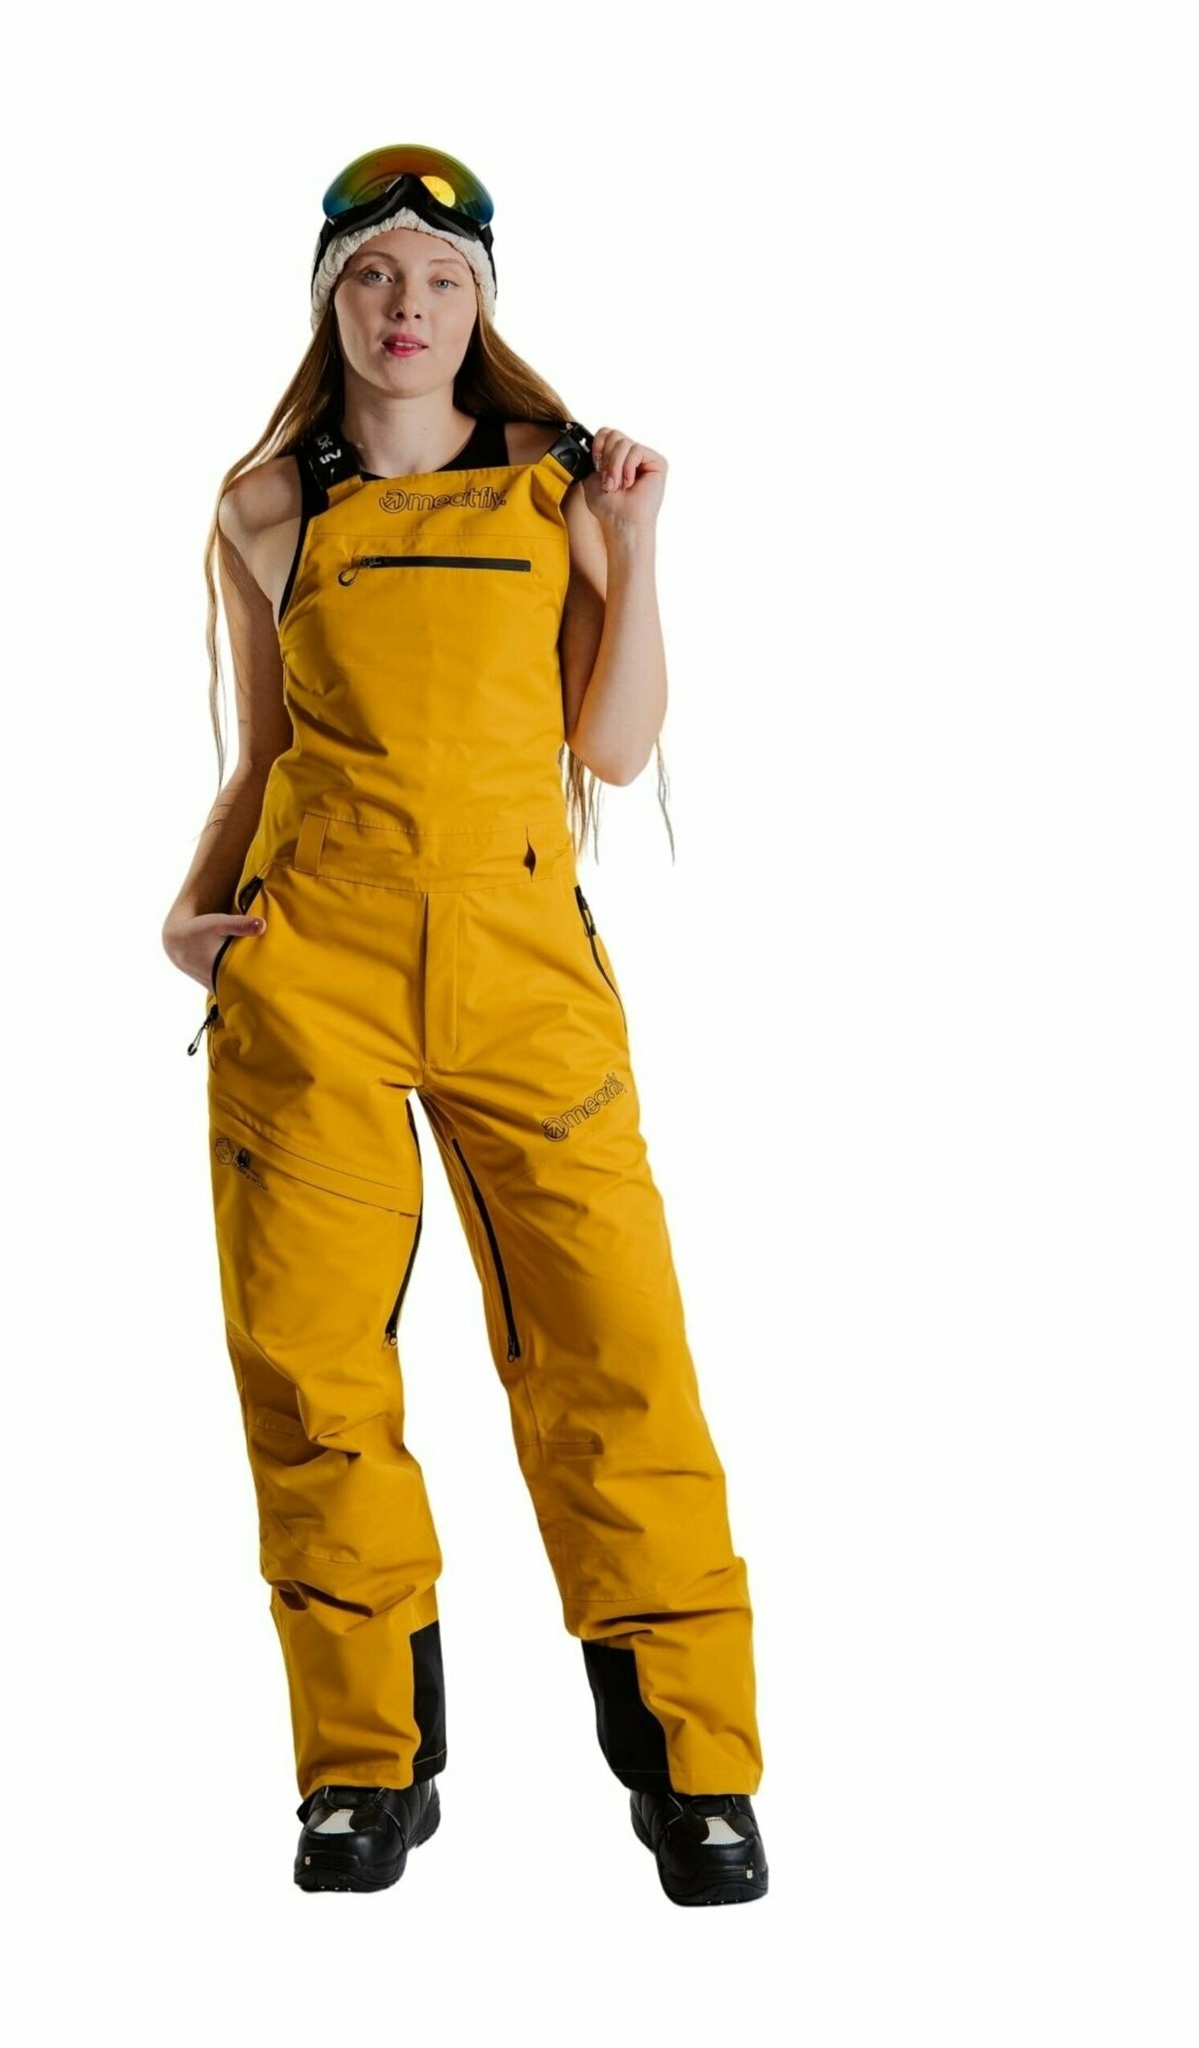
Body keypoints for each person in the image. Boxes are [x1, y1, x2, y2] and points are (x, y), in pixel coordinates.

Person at [162, 143, 768, 1907]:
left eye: (440, 277)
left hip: (522, 975)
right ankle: (364, 1772)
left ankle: (696, 1774)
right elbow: (267, 754)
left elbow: (616, 748)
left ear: (483, 302)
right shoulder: (266, 505)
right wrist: (190, 913)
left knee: (616, 1355)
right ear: (330, 301)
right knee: (313, 1374)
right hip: (315, 973)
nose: (405, 306)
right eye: (372, 275)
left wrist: (635, 547)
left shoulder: (556, 488)